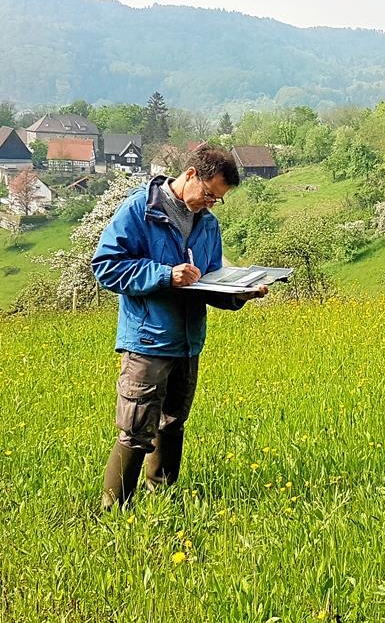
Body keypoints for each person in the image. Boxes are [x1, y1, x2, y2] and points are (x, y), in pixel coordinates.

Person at [91, 146, 266, 509]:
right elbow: (106, 266)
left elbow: (210, 279)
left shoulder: (208, 224)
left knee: (173, 424)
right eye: (208, 194)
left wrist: (239, 293)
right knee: (136, 429)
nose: (210, 204)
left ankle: (163, 501)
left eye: (218, 200)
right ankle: (111, 513)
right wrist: (165, 276)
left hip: (187, 341)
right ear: (189, 174)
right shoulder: (140, 210)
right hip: (148, 340)